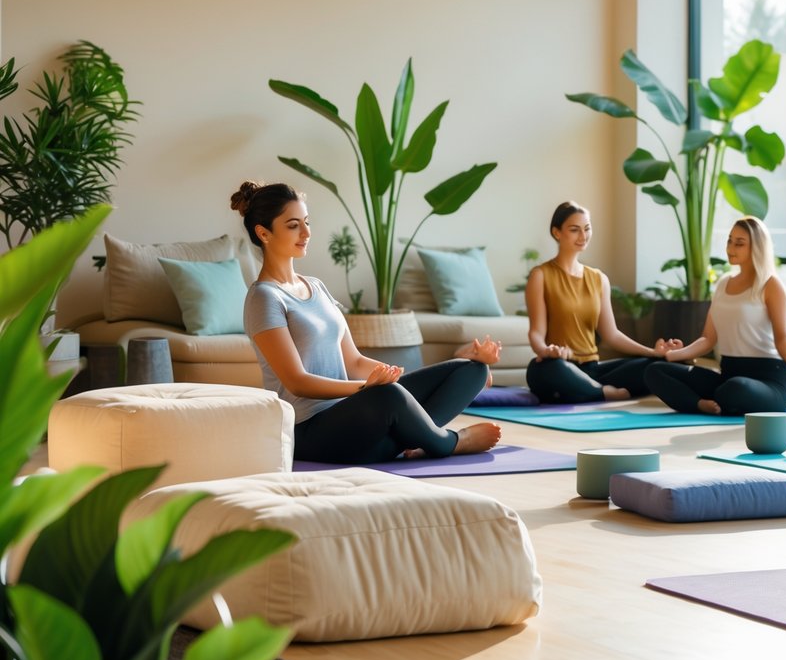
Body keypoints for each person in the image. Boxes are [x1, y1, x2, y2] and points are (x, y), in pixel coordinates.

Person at [233, 180, 502, 465]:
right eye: (293, 225)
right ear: (264, 233)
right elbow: (297, 382)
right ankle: (450, 442)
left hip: (356, 416)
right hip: (310, 431)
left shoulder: (317, 287)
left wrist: (392, 376)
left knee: (470, 371)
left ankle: (421, 439)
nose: (307, 232)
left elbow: (355, 362)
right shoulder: (264, 298)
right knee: (388, 397)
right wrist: (367, 388)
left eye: (307, 222)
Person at [645, 216, 786, 415]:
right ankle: (700, 404)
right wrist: (672, 355)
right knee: (655, 371)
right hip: (727, 376)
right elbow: (708, 338)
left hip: (768, 383)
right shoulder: (723, 284)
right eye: (729, 240)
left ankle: (707, 400)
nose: (731, 248)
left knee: (736, 388)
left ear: (757, 247)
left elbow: (782, 337)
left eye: (739, 243)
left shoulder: (771, 285)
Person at [525, 201, 682, 403]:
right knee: (539, 371)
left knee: (657, 364)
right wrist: (546, 351)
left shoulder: (599, 279)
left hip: (593, 370)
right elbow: (536, 332)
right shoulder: (541, 276)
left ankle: (590, 390)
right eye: (574, 230)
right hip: (560, 366)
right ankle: (602, 392)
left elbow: (612, 335)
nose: (583, 236)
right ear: (557, 233)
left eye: (587, 229)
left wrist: (652, 352)